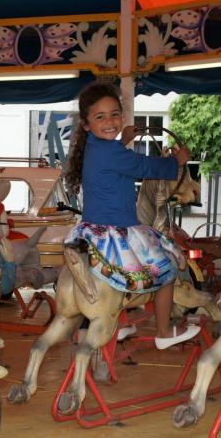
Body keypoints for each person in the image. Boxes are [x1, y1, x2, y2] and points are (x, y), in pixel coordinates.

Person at [64, 82, 201, 349]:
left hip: (93, 229)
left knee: (123, 273)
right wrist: (178, 160)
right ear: (87, 124)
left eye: (115, 114)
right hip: (117, 228)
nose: (110, 121)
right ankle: (163, 332)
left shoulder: (94, 146)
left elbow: (116, 158)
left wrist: (124, 139)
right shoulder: (112, 151)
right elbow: (143, 165)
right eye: (100, 116)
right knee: (167, 268)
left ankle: (121, 322)